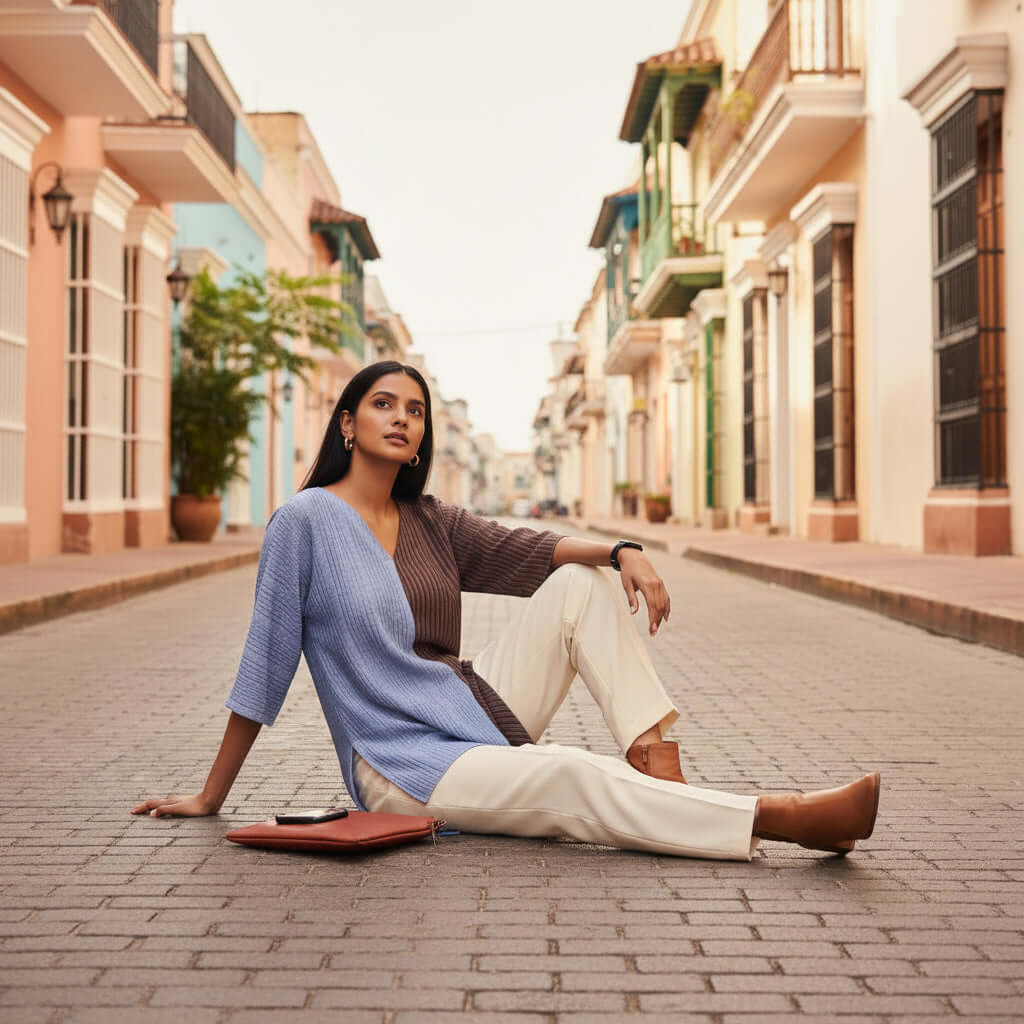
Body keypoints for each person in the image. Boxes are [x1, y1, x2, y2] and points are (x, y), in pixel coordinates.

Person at [133, 361, 879, 860]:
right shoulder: (303, 523)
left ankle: (659, 768)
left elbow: (529, 548)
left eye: (415, 410)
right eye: (383, 405)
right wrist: (209, 797)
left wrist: (621, 548)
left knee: (581, 584)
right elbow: (264, 664)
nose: (402, 419)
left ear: (424, 435)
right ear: (348, 424)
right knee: (566, 775)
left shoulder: (428, 520)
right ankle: (772, 817)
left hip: (471, 711)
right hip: (401, 766)